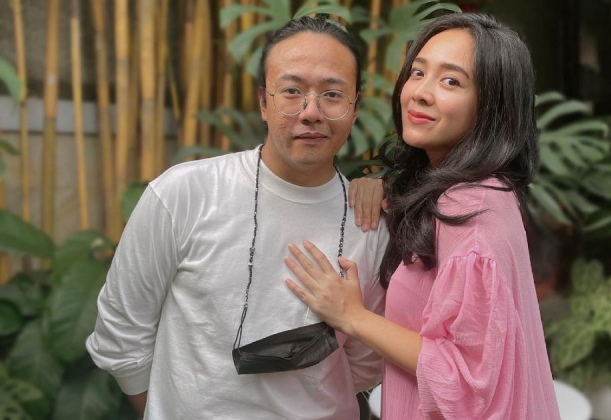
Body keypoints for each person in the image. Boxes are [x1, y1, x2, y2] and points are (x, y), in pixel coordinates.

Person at [86, 16, 389, 419]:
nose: (311, 111)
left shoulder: (370, 221)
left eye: (332, 94)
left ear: (355, 107)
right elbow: (122, 330)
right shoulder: (185, 193)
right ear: (263, 102)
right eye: (292, 91)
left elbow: (367, 361)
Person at [285, 12, 561, 419]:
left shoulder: (470, 211)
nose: (421, 93)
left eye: (451, 81)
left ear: (492, 106)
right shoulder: (477, 193)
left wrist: (352, 317)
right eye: (418, 72)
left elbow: (467, 383)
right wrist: (387, 190)